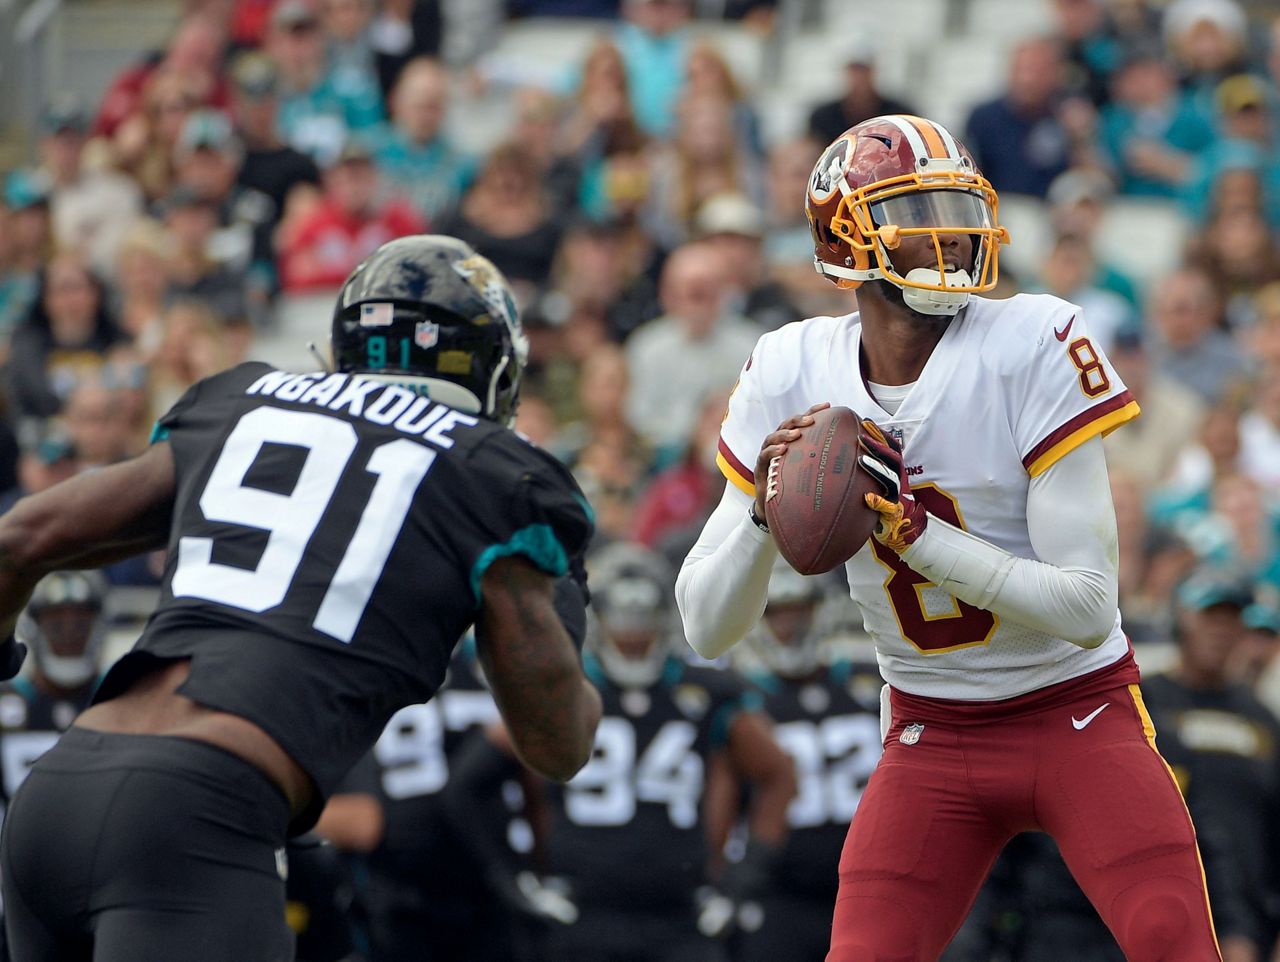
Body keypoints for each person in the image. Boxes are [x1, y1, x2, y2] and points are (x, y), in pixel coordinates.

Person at [676, 114, 1223, 961]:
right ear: (846, 237)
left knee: (1169, 939)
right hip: (931, 732)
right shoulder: (790, 367)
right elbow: (708, 627)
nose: (949, 235)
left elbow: (1086, 607)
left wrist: (914, 533)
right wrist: (765, 509)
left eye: (956, 207)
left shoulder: (1032, 340)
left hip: (1073, 707)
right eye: (915, 210)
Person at [0, 234, 602, 962]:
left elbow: (19, 539)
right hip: (199, 820)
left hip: (53, 800)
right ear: (493, 367)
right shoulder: (491, 473)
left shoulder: (244, 401)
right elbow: (557, 743)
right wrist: (558, 590)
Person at [543, 542, 795, 962]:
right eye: (623, 621)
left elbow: (778, 775)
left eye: (642, 621)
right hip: (584, 907)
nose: (633, 637)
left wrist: (739, 882)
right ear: (600, 620)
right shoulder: (567, 685)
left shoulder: (707, 691)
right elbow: (490, 774)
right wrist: (516, 874)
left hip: (679, 910)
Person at [733, 560, 884, 962]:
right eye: (777, 613)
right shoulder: (743, 698)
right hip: (784, 889)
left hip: (874, 882)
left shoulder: (871, 679)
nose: (789, 625)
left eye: (799, 610)